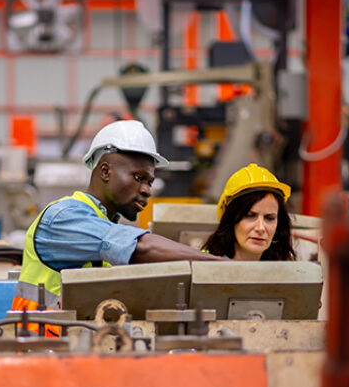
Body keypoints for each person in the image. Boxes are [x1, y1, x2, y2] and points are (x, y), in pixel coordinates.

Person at [12, 120, 225, 334]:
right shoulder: (62, 218)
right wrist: (221, 265)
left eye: (149, 182)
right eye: (138, 177)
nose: (147, 191)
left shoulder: (103, 225)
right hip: (36, 354)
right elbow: (142, 247)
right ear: (105, 171)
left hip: (70, 355)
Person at [202, 163, 295, 261]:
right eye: (250, 216)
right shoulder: (201, 267)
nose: (260, 228)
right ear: (230, 219)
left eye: (270, 218)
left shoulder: (285, 270)